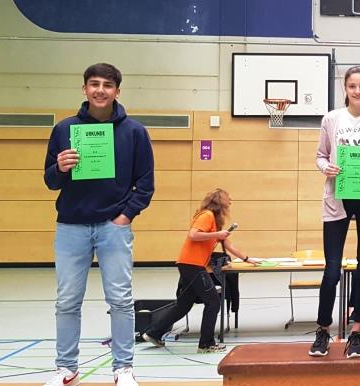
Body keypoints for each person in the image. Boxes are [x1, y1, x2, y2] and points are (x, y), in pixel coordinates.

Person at [42, 63, 154, 386]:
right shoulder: (64, 129)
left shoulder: (135, 132)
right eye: (94, 84)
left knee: (120, 300)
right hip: (71, 227)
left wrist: (124, 217)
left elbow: (145, 185)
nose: (100, 90)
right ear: (84, 89)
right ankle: (66, 369)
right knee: (67, 301)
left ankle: (123, 368)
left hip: (113, 228)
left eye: (107, 85)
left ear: (117, 91)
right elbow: (50, 181)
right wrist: (60, 168)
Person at [310, 65, 360, 359]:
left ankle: (356, 332)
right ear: (345, 88)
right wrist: (326, 167)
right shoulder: (331, 119)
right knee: (332, 270)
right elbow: (320, 156)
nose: (357, 91)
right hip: (338, 195)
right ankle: (323, 330)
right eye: (352, 86)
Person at [142, 189, 255, 353]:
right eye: (228, 198)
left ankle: (154, 333)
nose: (230, 201)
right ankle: (206, 344)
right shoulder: (206, 215)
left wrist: (247, 259)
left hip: (190, 264)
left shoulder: (215, 221)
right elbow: (193, 235)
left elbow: (229, 246)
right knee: (213, 301)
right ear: (219, 201)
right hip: (192, 264)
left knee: (184, 305)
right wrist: (216, 234)